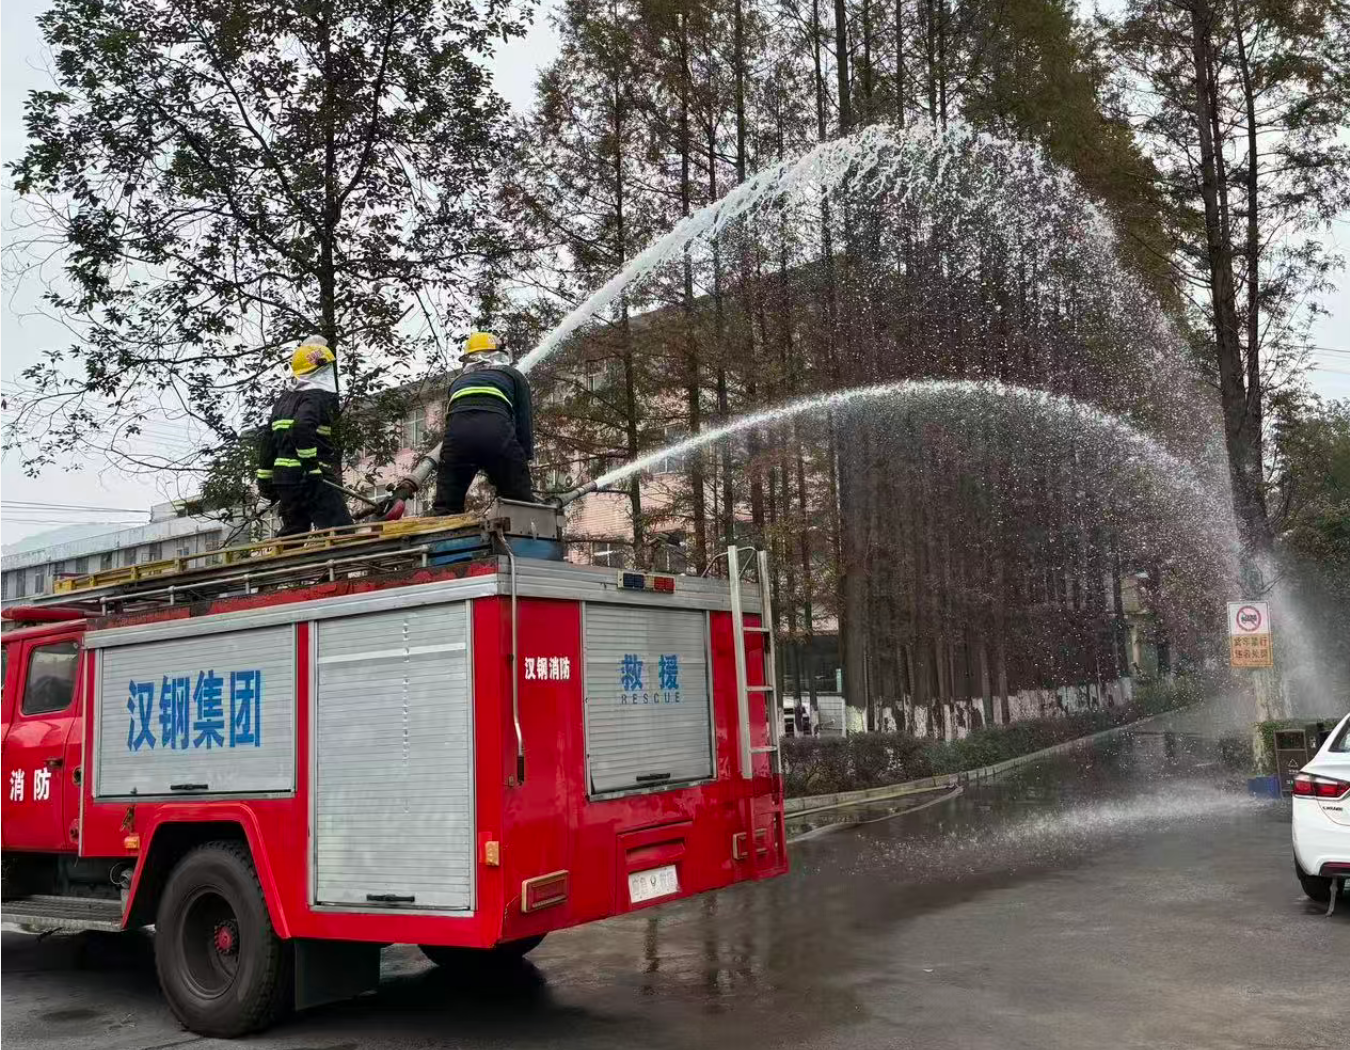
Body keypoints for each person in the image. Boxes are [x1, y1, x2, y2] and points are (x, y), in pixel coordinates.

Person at [255, 335, 354, 536]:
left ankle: (283, 567)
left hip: (285, 481)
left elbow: (267, 441)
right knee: (341, 531)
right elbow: (302, 426)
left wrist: (264, 479)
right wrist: (311, 467)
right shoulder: (315, 397)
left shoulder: (283, 400)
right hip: (310, 479)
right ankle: (336, 567)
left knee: (294, 532)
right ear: (318, 370)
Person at [432, 331, 534, 515]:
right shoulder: (513, 375)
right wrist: (522, 461)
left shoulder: (457, 382)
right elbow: (523, 421)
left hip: (456, 441)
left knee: (447, 504)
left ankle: (442, 535)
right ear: (498, 353)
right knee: (519, 502)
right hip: (496, 435)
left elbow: (453, 420)